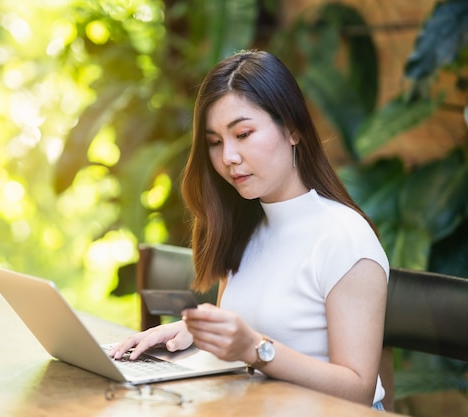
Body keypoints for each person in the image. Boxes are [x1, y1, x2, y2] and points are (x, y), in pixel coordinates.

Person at [108, 50, 389, 410]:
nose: (228, 157)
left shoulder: (344, 237)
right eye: (215, 142)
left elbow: (359, 391)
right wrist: (193, 334)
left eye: (242, 133)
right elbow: (249, 331)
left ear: (293, 129)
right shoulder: (245, 226)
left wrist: (256, 350)